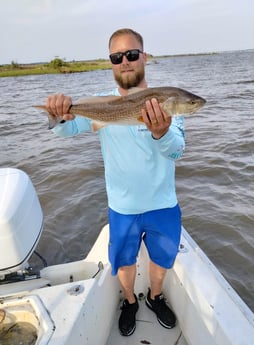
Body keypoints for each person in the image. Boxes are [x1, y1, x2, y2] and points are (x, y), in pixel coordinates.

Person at [45, 28, 185, 336]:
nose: (126, 62)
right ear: (111, 62)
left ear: (144, 57)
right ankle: (130, 301)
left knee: (162, 260)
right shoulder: (98, 104)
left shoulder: (168, 102)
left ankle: (155, 296)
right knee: (123, 263)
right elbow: (66, 130)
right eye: (117, 56)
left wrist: (161, 131)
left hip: (163, 205)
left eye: (132, 54)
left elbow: (177, 150)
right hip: (122, 208)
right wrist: (56, 114)